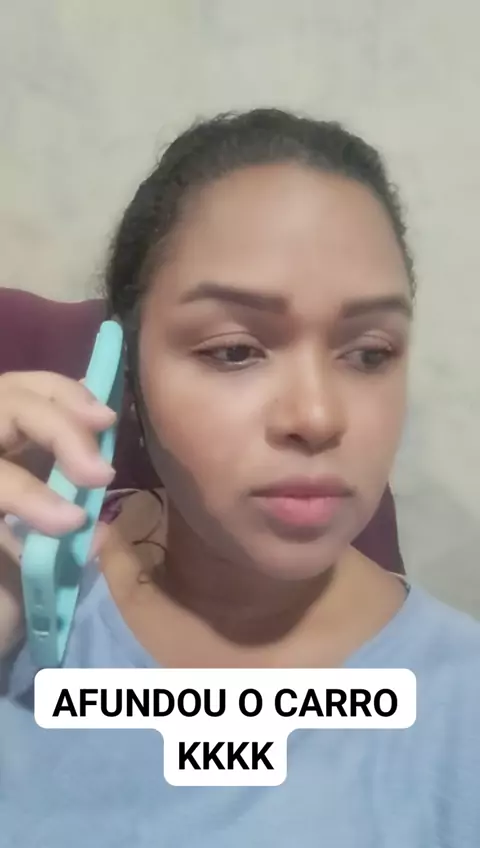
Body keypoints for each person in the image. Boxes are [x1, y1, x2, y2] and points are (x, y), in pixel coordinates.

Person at [0, 108, 479, 847]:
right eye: (233, 351)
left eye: (370, 353)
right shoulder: (27, 603)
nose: (316, 416)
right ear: (126, 375)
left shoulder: (460, 711)